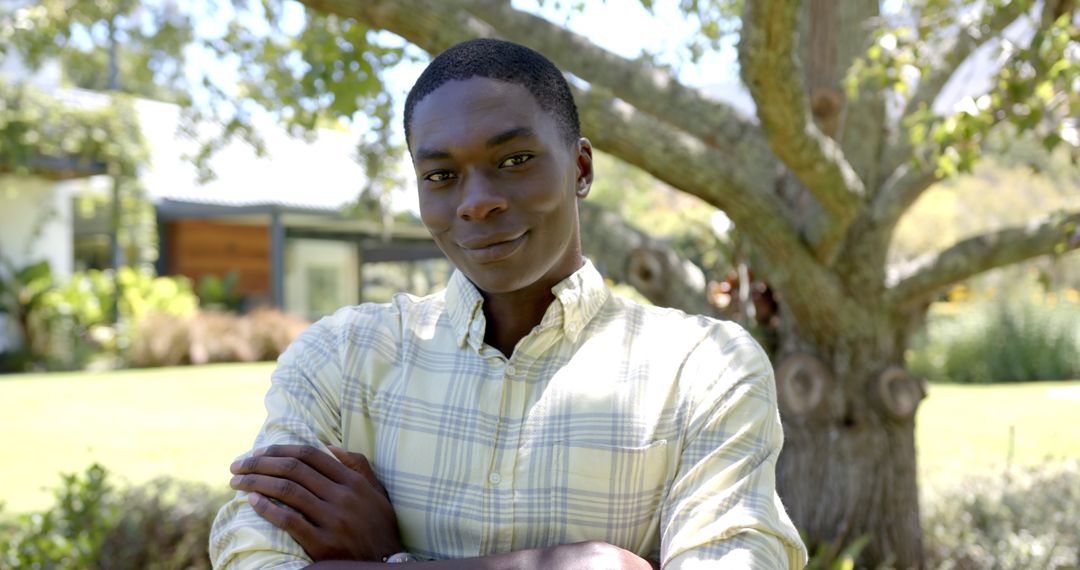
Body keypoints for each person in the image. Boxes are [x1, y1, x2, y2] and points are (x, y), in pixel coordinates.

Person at [210, 38, 808, 569]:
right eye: (440, 175)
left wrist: (384, 560)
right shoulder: (342, 359)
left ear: (580, 168)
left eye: (514, 160)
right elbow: (252, 556)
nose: (476, 202)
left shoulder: (703, 367)